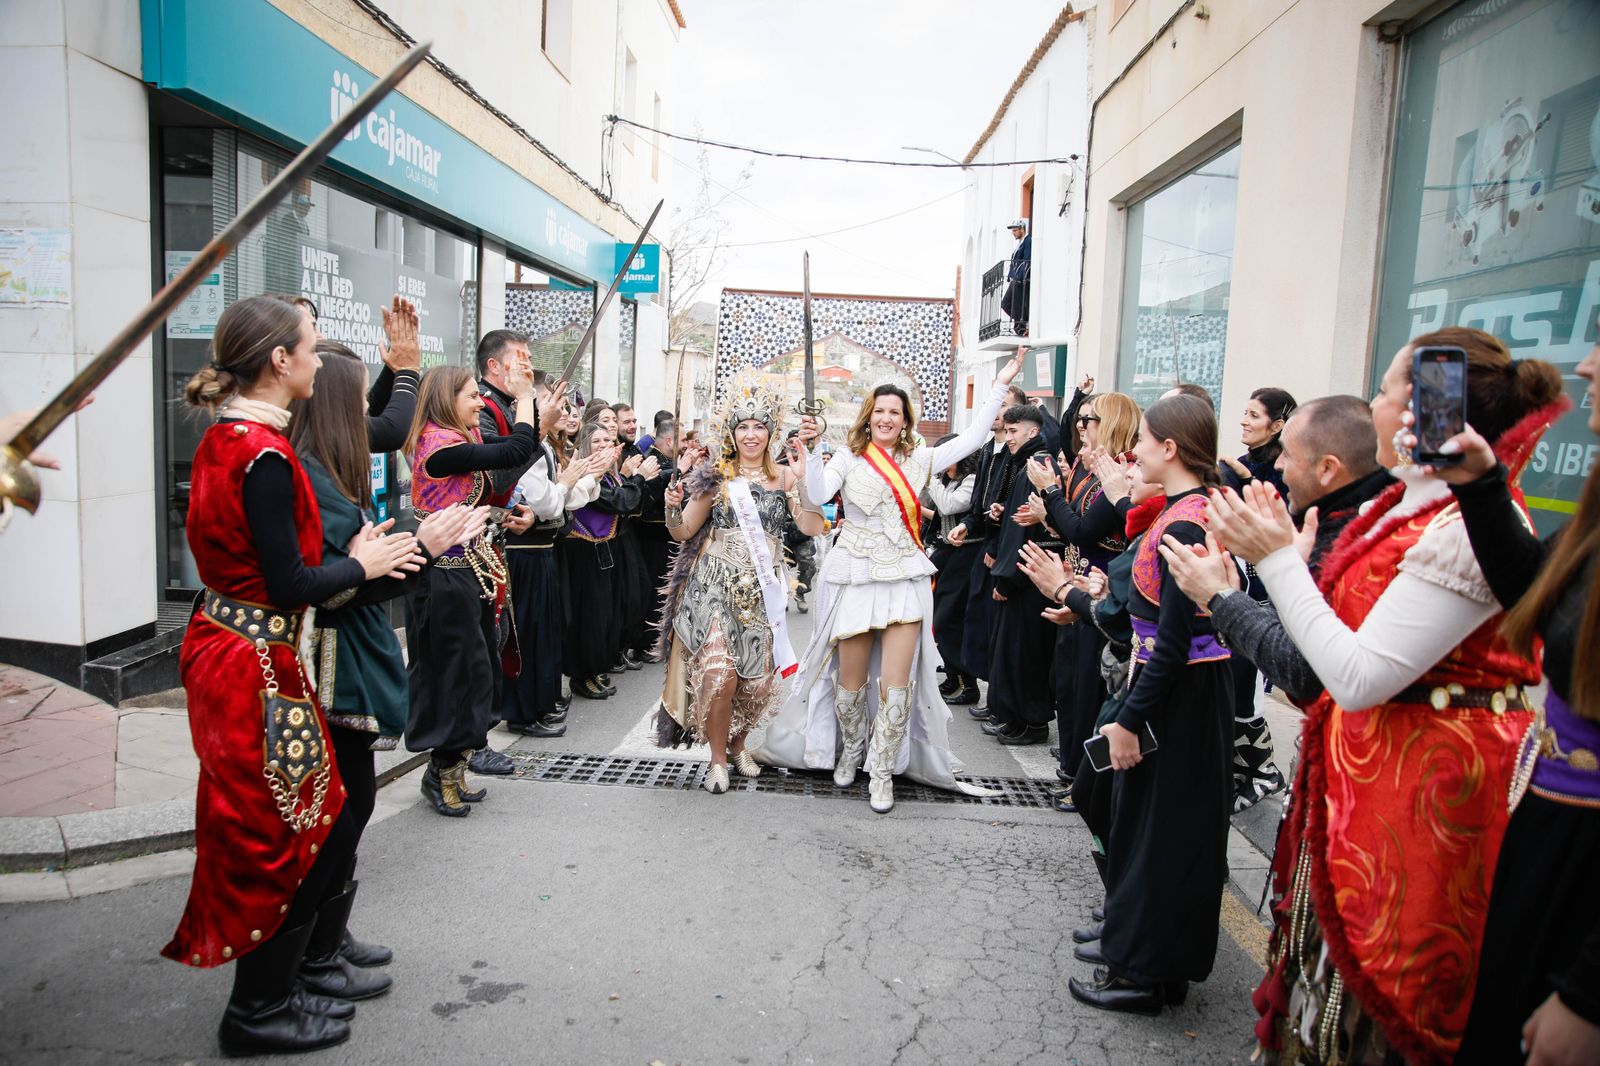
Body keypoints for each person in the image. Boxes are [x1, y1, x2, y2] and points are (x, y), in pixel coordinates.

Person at [1219, 327, 1565, 1063]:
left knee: (1385, 1004)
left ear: (1424, 410)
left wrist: (1277, 564)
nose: (1373, 402)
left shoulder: (1463, 526)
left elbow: (1358, 675)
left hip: (1423, 803)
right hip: (1369, 785)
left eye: (1383, 388)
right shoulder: (1411, 503)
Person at [165, 294, 424, 1055]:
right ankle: (256, 1011)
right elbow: (289, 582)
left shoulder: (235, 438)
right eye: (310, 347)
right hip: (251, 661)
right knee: (283, 830)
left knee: (298, 819)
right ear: (280, 360)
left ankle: (283, 987)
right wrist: (364, 561)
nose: (317, 359)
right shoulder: (266, 457)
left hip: (238, 650)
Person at [289, 327, 490, 998]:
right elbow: (333, 580)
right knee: (337, 811)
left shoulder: (321, 465)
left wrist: (409, 545)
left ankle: (326, 938)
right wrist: (422, 544)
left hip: (352, 645)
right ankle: (310, 956)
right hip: (327, 658)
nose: (373, 425)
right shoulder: (305, 472)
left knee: (353, 805)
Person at [758, 348, 1027, 813]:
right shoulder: (848, 457)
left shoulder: (922, 457)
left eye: (895, 413)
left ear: (906, 421)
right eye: (879, 411)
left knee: (896, 685)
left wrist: (1000, 384)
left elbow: (978, 436)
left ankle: (881, 772)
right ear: (869, 417)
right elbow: (820, 494)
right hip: (856, 574)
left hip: (903, 575)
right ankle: (853, 753)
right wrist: (812, 460)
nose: (886, 418)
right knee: (850, 682)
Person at [1435, 328, 1600, 1065]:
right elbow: (1535, 595)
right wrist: (1478, 481)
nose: (1587, 363)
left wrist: (1590, 992)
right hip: (1547, 829)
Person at [1067, 393, 1234, 1017]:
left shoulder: (1188, 523)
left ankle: (1144, 972)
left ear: (1169, 449)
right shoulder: (1186, 511)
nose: (1130, 451)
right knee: (1149, 827)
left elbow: (1170, 643)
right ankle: (1142, 955)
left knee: (1163, 832)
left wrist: (1131, 720)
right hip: (1175, 690)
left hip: (1176, 695)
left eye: (1141, 440)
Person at [1158, 396, 1395, 708]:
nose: (1280, 466)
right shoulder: (1334, 525)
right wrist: (1235, 594)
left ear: (1327, 469)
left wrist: (1222, 596)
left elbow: (1301, 670)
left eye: (1289, 455)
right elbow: (1291, 625)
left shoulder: (1363, 544)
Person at [654, 382, 822, 793]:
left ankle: (738, 743)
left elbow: (812, 527)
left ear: (770, 432)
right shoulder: (716, 476)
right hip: (712, 586)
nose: (750, 434)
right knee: (720, 674)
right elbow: (683, 531)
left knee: (755, 682)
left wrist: (802, 483)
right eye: (742, 426)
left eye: (758, 426)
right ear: (732, 432)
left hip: (761, 593)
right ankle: (716, 760)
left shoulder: (785, 476)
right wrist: (671, 504)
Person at [404, 364, 540, 817]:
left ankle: (456, 767)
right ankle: (439, 772)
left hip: (468, 569)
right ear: (447, 400)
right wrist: (524, 400)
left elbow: (523, 448)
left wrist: (536, 411)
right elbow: (517, 447)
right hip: (442, 575)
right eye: (470, 396)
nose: (479, 403)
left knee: (478, 670)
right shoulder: (438, 448)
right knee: (454, 674)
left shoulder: (464, 441)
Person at [1026, 393, 1139, 784]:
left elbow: (1082, 530)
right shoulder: (1092, 471)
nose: (1079, 426)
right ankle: (1072, 765)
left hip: (1098, 593)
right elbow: (1073, 529)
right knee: (1069, 684)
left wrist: (1050, 495)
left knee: (1088, 690)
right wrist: (1048, 512)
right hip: (1076, 583)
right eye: (1079, 420)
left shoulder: (1118, 475)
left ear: (1109, 424)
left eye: (1087, 420)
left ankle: (1081, 776)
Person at [499, 382, 607, 738]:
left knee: (545, 630)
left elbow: (562, 501)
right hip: (524, 552)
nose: (561, 410)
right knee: (528, 633)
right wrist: (568, 483)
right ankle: (523, 711)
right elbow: (547, 503)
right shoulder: (529, 447)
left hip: (542, 550)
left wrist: (585, 479)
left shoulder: (543, 445)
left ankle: (540, 702)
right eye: (551, 402)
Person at [1219, 387, 1297, 811]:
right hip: (1235, 592)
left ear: (1278, 425)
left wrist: (1252, 485)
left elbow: (1286, 527)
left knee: (1248, 691)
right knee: (1234, 687)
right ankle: (1245, 768)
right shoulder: (1236, 465)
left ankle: (1264, 771)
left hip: (1267, 599)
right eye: (1243, 412)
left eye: (1254, 415)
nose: (1244, 421)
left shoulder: (1280, 473)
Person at [471, 329, 544, 776]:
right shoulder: (486, 408)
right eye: (520, 358)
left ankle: (475, 738)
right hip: (468, 545)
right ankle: (468, 743)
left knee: (494, 640)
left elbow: (505, 483)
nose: (527, 367)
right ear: (494, 367)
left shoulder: (507, 406)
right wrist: (531, 414)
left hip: (493, 540)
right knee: (480, 647)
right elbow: (495, 475)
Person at [979, 405, 1062, 745]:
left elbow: (1033, 531)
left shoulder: (1039, 464)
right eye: (1007, 431)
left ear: (1032, 431)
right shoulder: (1024, 462)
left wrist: (1009, 578)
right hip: (1020, 571)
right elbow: (1016, 520)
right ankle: (1014, 716)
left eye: (1014, 431)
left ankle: (1031, 722)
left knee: (1026, 653)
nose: (1008, 437)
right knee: (1011, 651)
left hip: (1029, 574)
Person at [946, 383, 1028, 713]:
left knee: (999, 629)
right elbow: (982, 502)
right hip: (982, 545)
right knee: (978, 622)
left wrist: (994, 541)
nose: (996, 413)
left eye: (1004, 406)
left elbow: (1012, 508)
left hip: (1000, 551)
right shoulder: (989, 450)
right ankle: (985, 693)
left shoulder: (1021, 455)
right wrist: (968, 523)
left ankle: (998, 700)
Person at [562, 422, 648, 699]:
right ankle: (582, 674)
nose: (603, 446)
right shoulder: (585, 476)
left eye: (607, 441)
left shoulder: (608, 476)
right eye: (597, 441)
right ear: (585, 445)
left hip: (606, 549)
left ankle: (595, 669)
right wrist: (637, 479)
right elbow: (619, 503)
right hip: (583, 552)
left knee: (605, 616)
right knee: (588, 617)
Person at [925, 435, 981, 704]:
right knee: (940, 618)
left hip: (966, 555)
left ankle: (966, 683)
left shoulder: (971, 480)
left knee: (950, 618)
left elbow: (949, 505)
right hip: (947, 554)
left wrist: (929, 479)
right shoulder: (947, 480)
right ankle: (952, 677)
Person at [633, 417, 678, 662]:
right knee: (653, 592)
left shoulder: (667, 459)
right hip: (651, 538)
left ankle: (659, 639)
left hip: (665, 537)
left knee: (664, 592)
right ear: (670, 440)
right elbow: (653, 491)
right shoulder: (651, 459)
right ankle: (647, 643)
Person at [1000, 219, 1031, 336]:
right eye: (1012, 231)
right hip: (1015, 279)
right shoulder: (1019, 243)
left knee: (1016, 303)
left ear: (1022, 229)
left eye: (1015, 230)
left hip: (1020, 279)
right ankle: (1022, 320)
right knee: (1006, 304)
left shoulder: (1028, 241)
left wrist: (1020, 276)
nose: (1013, 233)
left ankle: (1020, 327)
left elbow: (1026, 259)